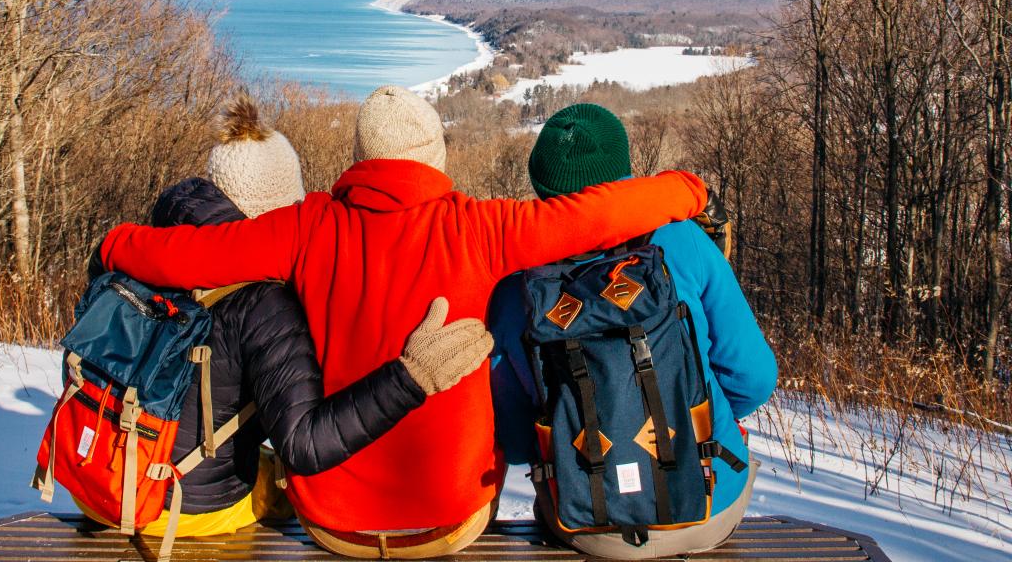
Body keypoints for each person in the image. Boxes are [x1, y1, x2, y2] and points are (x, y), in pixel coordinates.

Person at [97, 86, 710, 558]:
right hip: (449, 520)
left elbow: (192, 253)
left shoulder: (307, 226)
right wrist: (685, 189)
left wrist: (117, 244)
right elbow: (594, 214)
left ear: (361, 159)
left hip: (332, 522)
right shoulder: (478, 227)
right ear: (435, 157)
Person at [80, 98, 493, 540]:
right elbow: (304, 444)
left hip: (95, 473)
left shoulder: (148, 255)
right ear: (275, 210)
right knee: (281, 485)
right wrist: (408, 378)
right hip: (175, 505)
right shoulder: (263, 304)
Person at [488, 103, 777, 559]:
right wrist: (693, 412)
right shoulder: (685, 240)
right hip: (707, 505)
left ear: (541, 185)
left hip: (584, 522)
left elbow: (516, 437)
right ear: (623, 172)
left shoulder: (517, 286)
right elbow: (753, 378)